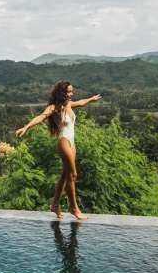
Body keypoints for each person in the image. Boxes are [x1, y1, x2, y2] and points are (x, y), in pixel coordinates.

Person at [15, 81, 101, 220]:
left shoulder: (69, 104)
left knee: (64, 176)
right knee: (73, 175)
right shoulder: (53, 108)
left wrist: (91, 99)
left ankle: (55, 205)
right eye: (69, 92)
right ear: (62, 93)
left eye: (72, 91)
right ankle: (74, 208)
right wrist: (26, 127)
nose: (71, 94)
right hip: (64, 142)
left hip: (72, 144)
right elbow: (40, 117)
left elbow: (81, 102)